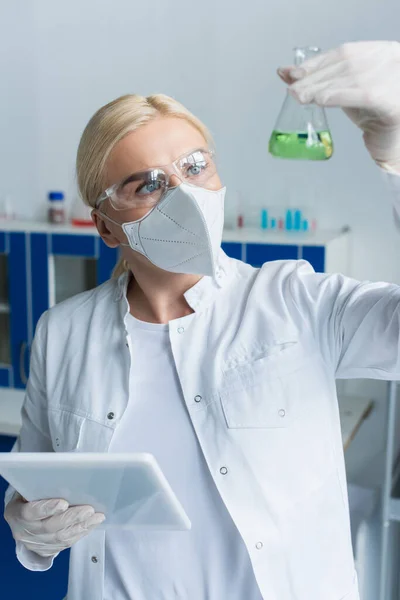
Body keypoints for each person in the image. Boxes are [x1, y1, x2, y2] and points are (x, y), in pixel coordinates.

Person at [3, 40, 400, 600]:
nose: (183, 195)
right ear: (107, 227)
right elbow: (34, 479)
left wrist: (397, 154)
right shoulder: (62, 333)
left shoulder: (296, 301)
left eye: (194, 167)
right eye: (147, 184)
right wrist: (27, 523)